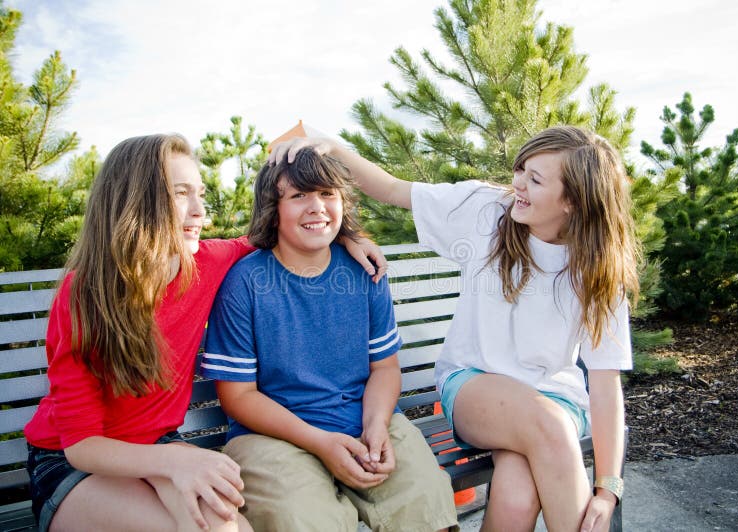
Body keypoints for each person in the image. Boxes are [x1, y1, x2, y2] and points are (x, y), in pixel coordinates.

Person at [270, 126, 640, 532]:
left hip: (555, 400)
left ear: (573, 200)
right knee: (547, 428)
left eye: (535, 179)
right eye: (521, 170)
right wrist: (330, 147)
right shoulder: (486, 212)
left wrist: (607, 490)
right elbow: (393, 189)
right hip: (474, 385)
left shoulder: (599, 270)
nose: (517, 183)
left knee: (517, 497)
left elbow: (605, 384)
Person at [23, 133, 387, 532]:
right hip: (76, 464)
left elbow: (290, 232)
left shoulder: (204, 262)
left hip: (159, 448)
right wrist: (179, 460)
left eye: (200, 194)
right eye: (181, 194)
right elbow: (81, 445)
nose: (200, 213)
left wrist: (351, 234)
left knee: (231, 529)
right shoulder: (85, 295)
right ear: (133, 201)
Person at [200, 148, 458, 531]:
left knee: (422, 496)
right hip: (274, 436)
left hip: (363, 418)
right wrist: (321, 443)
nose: (315, 207)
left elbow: (384, 368)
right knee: (299, 516)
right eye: (298, 196)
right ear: (274, 207)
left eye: (327, 194)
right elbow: (238, 396)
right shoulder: (246, 283)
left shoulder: (363, 271)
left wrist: (376, 426)